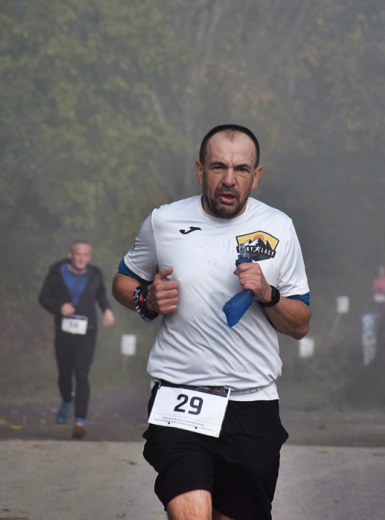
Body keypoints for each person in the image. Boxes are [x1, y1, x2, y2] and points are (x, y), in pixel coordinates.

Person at [112, 124, 311, 520]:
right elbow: (123, 279)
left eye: (240, 169)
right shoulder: (164, 222)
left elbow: (300, 323)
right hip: (180, 395)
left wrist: (268, 294)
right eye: (218, 167)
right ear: (200, 170)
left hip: (252, 403)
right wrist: (145, 298)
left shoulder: (279, 227)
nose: (228, 180)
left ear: (256, 176)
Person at [38, 240, 115, 439]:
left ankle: (80, 420)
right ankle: (66, 399)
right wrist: (59, 307)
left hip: (87, 331)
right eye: (78, 254)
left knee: (81, 375)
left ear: (89, 257)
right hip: (64, 333)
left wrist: (107, 310)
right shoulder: (57, 273)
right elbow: (43, 297)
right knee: (64, 374)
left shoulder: (95, 274)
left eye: (85, 255)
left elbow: (101, 294)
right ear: (71, 255)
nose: (81, 258)